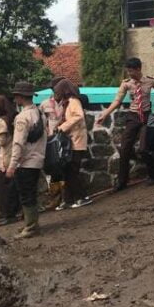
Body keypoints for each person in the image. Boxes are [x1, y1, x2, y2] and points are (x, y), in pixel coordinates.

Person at [96, 57, 154, 190]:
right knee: (124, 148)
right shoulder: (126, 84)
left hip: (146, 117)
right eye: (128, 71)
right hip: (133, 117)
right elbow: (117, 101)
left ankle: (153, 175)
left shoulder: (150, 81)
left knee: (144, 148)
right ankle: (122, 182)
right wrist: (105, 113)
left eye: (131, 71)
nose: (130, 74)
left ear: (138, 69)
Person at [6, 81, 47, 238]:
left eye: (16, 96)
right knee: (31, 192)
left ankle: (31, 227)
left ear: (20, 97)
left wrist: (12, 165)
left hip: (26, 162)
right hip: (37, 159)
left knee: (25, 194)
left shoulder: (22, 117)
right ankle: (31, 224)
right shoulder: (40, 114)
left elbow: (18, 143)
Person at [54, 79, 93, 209]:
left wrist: (62, 127)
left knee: (72, 171)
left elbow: (78, 116)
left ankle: (82, 197)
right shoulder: (66, 103)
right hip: (70, 142)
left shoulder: (73, 101)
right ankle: (68, 199)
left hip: (76, 141)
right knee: (67, 171)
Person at [0, 95, 20, 222]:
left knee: (5, 188)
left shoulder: (3, 121)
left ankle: (8, 214)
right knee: (14, 187)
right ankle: (16, 212)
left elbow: (0, 141)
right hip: (17, 155)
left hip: (6, 157)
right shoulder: (15, 117)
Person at [40, 77, 67, 209]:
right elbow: (41, 121)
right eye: (54, 90)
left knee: (65, 168)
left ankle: (65, 197)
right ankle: (55, 198)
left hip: (65, 138)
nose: (56, 92)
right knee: (52, 168)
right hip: (51, 141)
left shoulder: (67, 103)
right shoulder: (45, 104)